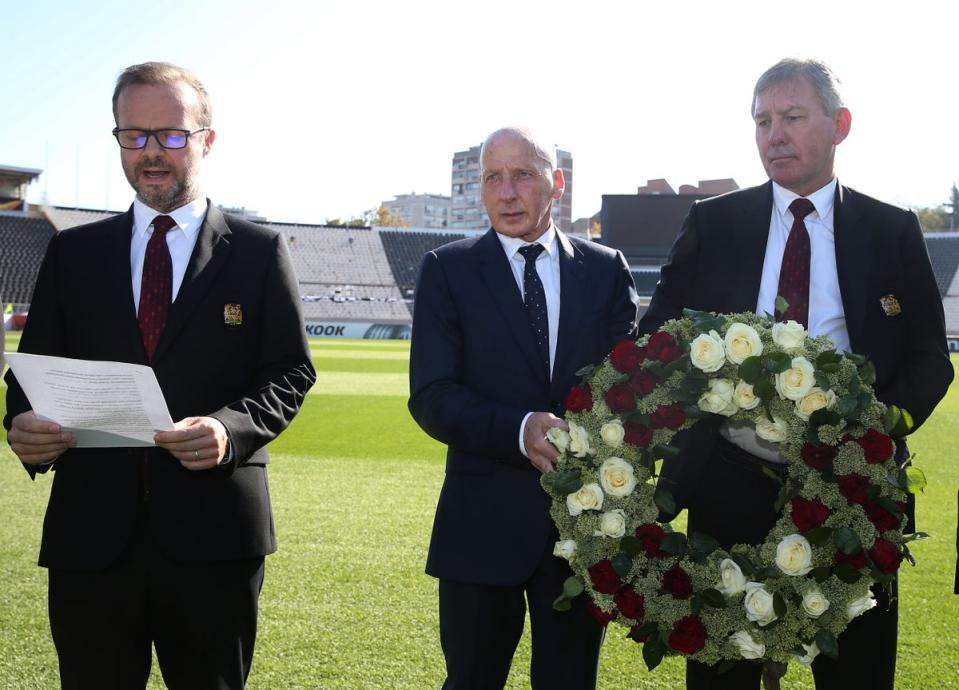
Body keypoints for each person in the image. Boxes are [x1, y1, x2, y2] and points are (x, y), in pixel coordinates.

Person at [639, 57, 953, 690]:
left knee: (857, 672)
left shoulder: (891, 229)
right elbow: (657, 341)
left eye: (791, 117)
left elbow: (929, 360)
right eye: (761, 122)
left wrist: (873, 433)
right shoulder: (714, 222)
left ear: (839, 124)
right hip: (727, 483)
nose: (773, 135)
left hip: (853, 491)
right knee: (724, 671)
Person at [3, 62, 316, 689]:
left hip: (215, 536)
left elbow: (289, 371)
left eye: (171, 135)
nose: (151, 152)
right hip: (91, 536)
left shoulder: (258, 251)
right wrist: (21, 425)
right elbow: (31, 376)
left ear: (207, 138)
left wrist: (230, 430)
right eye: (134, 135)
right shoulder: (73, 251)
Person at [409, 126, 639, 689]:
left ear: (556, 184)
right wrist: (520, 429)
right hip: (480, 525)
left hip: (583, 527)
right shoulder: (447, 269)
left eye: (523, 175)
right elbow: (432, 396)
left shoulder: (606, 267)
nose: (507, 192)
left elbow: (632, 391)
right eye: (493, 178)